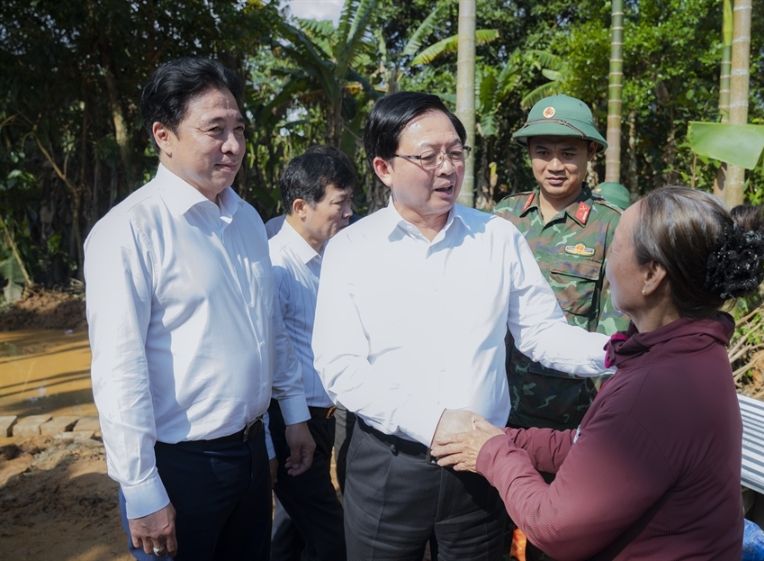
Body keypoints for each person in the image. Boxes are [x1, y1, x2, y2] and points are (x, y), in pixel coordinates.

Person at [311, 91, 616, 561]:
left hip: (482, 465)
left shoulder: (497, 237)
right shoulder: (353, 249)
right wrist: (434, 425)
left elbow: (541, 333)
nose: (447, 168)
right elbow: (340, 367)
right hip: (389, 467)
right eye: (428, 156)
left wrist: (621, 352)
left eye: (455, 153)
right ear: (384, 168)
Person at [433, 186, 764, 560]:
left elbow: (552, 525)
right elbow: (590, 448)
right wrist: (505, 437)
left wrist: (491, 453)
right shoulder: (692, 353)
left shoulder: (652, 392)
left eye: (616, 247)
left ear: (652, 275)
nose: (607, 262)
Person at [84, 57, 315, 561]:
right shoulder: (127, 232)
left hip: (251, 452)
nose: (233, 145)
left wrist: (289, 420)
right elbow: (120, 371)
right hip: (179, 467)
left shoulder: (247, 219)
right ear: (164, 135)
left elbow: (269, 328)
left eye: (239, 129)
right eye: (215, 130)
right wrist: (141, 486)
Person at [493, 93, 628, 561]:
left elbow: (614, 334)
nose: (554, 165)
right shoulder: (503, 218)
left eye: (568, 153)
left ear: (590, 154)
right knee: (490, 533)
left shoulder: (611, 227)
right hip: (500, 409)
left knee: (554, 539)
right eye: (543, 152)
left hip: (568, 422)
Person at [267, 151, 356, 561]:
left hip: (321, 419)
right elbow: (273, 353)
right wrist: (295, 423)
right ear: (302, 207)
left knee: (291, 530)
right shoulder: (276, 266)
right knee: (332, 537)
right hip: (291, 423)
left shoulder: (328, 258)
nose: (349, 212)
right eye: (340, 202)